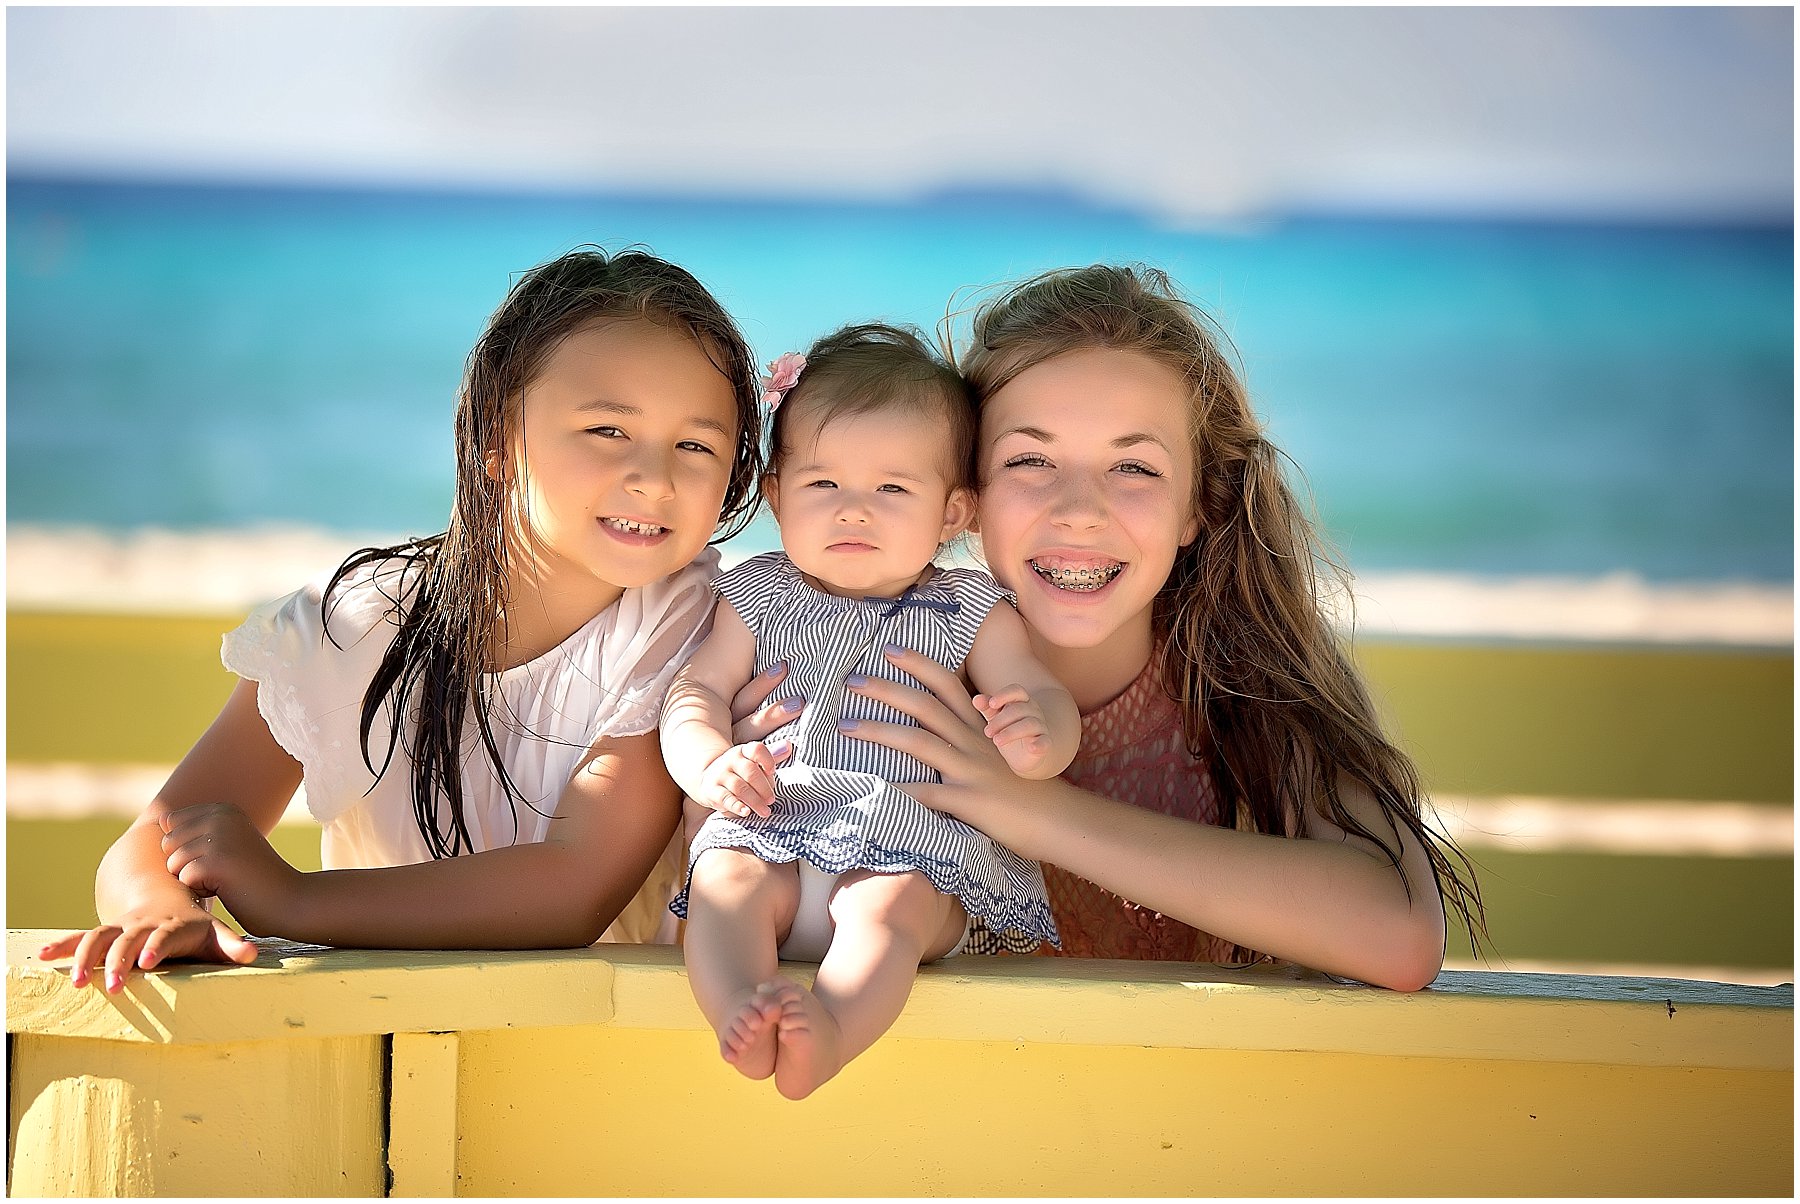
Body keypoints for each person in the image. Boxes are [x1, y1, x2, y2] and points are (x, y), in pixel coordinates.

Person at [39, 246, 766, 992]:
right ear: (497, 439)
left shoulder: (686, 622)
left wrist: (291, 900)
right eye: (607, 431)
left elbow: (573, 888)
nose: (655, 477)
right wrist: (163, 910)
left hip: (579, 1062)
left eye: (696, 444)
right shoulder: (356, 623)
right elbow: (151, 843)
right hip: (369, 1038)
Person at [834, 265, 1485, 991]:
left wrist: (1036, 812)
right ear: (967, 496)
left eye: (1134, 467)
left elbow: (1400, 936)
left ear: (1196, 506)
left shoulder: (1248, 699)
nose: (1080, 508)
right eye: (1030, 459)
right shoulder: (893, 679)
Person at [661, 324, 1079, 1099]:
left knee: (888, 911)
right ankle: (741, 1012)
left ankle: (833, 1031)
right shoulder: (756, 594)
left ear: (953, 512)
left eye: (892, 489)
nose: (854, 512)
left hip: (912, 847)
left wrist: (1039, 736)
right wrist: (708, 761)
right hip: (773, 823)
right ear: (778, 495)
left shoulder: (971, 609)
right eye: (824, 485)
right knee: (724, 881)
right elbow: (698, 693)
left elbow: (1040, 690)